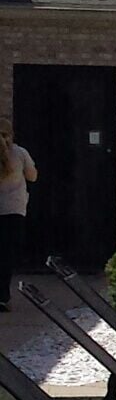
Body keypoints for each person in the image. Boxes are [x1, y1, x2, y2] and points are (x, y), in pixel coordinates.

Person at [0, 127, 32, 310]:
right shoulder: (19, 153)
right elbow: (33, 176)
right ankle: (2, 296)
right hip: (13, 210)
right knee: (6, 255)